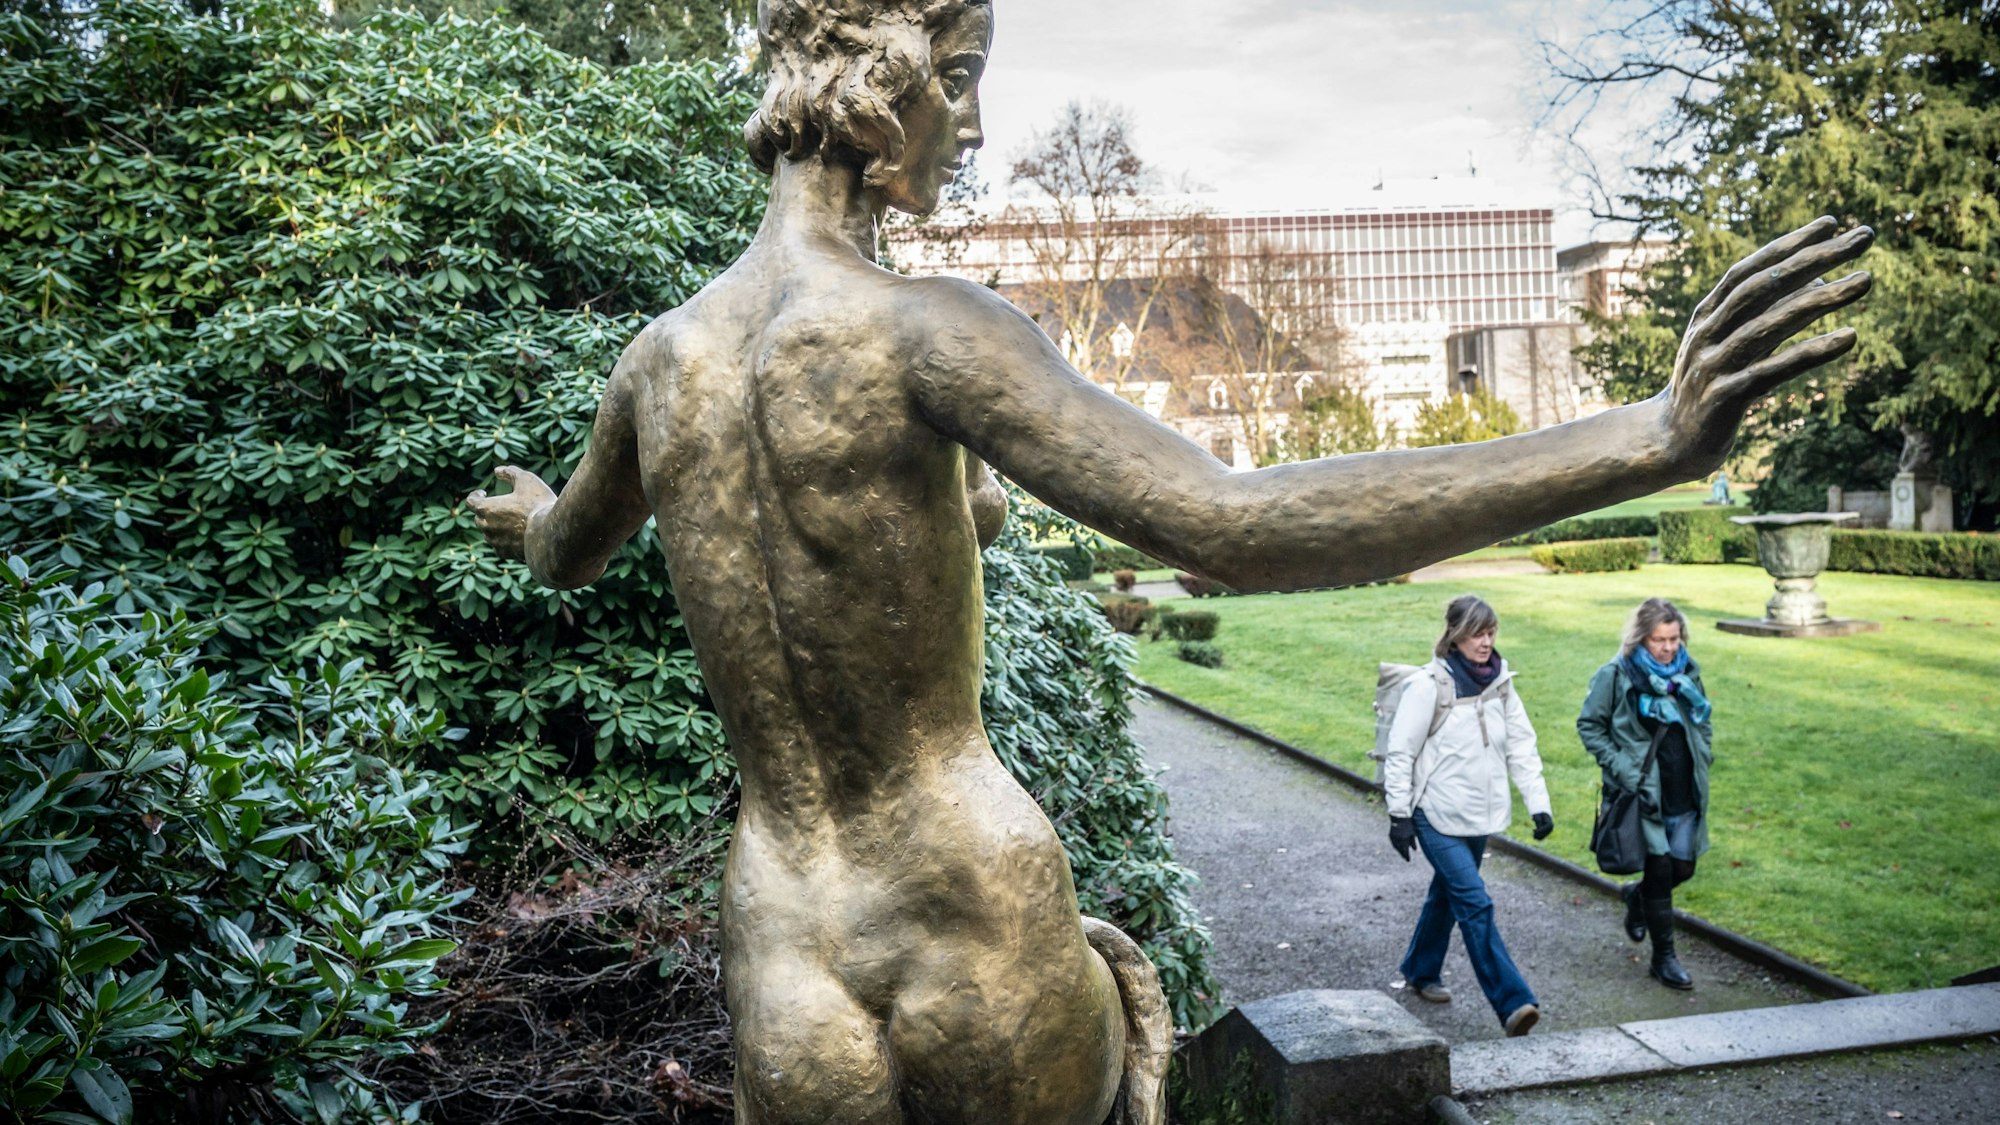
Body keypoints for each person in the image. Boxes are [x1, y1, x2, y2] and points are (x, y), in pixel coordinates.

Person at [463, 0, 1870, 1118]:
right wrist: (1643, 439)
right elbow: (1233, 527)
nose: (971, 123)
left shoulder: (661, 367)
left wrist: (532, 511)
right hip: (966, 902)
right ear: (894, 84)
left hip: (781, 940)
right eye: (962, 77)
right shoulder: (926, 331)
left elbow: (566, 549)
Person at [1381, 595, 1554, 1037]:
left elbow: (1522, 745)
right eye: (1477, 633)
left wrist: (1539, 804)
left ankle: (1420, 969)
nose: (1485, 641)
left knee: (1449, 894)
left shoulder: (1500, 682)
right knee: (1475, 902)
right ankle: (1513, 1003)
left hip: (1478, 816)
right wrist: (1399, 814)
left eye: (1491, 631)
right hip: (1433, 814)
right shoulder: (1429, 686)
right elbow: (1400, 753)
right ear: (1455, 635)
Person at [1577, 597, 1712, 990]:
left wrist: (1704, 752)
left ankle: (1637, 898)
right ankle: (1663, 958)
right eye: (1659, 640)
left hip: (1684, 785)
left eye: (1674, 638)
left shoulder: (1687, 672)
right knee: (1661, 867)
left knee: (1684, 867)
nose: (1669, 648)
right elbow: (1590, 726)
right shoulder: (1616, 676)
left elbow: (1702, 720)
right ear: (1640, 639)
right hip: (1643, 792)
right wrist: (1623, 770)